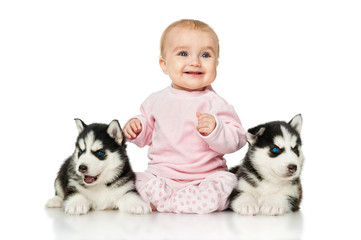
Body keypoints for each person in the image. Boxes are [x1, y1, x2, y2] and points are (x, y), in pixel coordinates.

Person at [123, 19, 247, 213]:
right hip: (161, 176)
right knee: (131, 180)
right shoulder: (156, 100)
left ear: (217, 64)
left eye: (205, 55)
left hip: (205, 178)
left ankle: (173, 202)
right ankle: (170, 199)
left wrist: (217, 130)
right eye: (183, 53)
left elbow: (238, 140)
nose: (195, 62)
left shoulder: (215, 103)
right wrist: (136, 128)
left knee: (230, 182)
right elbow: (146, 133)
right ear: (164, 65)